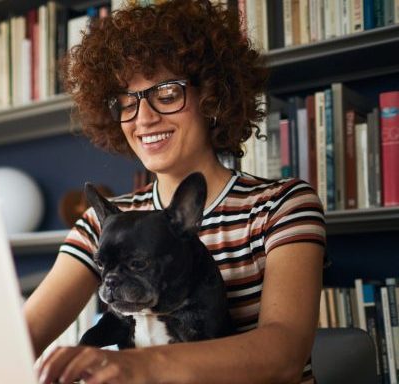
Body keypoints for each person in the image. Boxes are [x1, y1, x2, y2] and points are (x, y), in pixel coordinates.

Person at [23, 1, 326, 383]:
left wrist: (139, 365)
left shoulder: (279, 206)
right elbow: (24, 334)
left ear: (212, 97)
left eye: (166, 94)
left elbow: (284, 354)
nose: (144, 118)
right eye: (127, 102)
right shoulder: (104, 223)